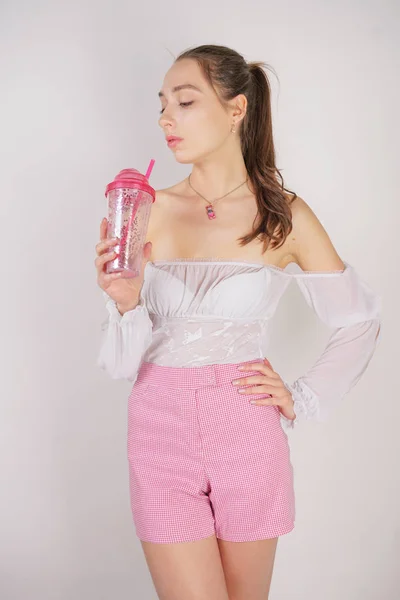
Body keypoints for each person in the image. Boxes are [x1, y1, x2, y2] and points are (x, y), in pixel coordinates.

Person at [94, 44, 382, 600]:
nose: (165, 119)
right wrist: (124, 301)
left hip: (246, 431)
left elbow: (360, 320)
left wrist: (304, 394)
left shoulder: (283, 215)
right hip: (158, 432)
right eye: (162, 105)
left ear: (236, 110)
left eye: (184, 101)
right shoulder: (141, 207)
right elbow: (122, 366)